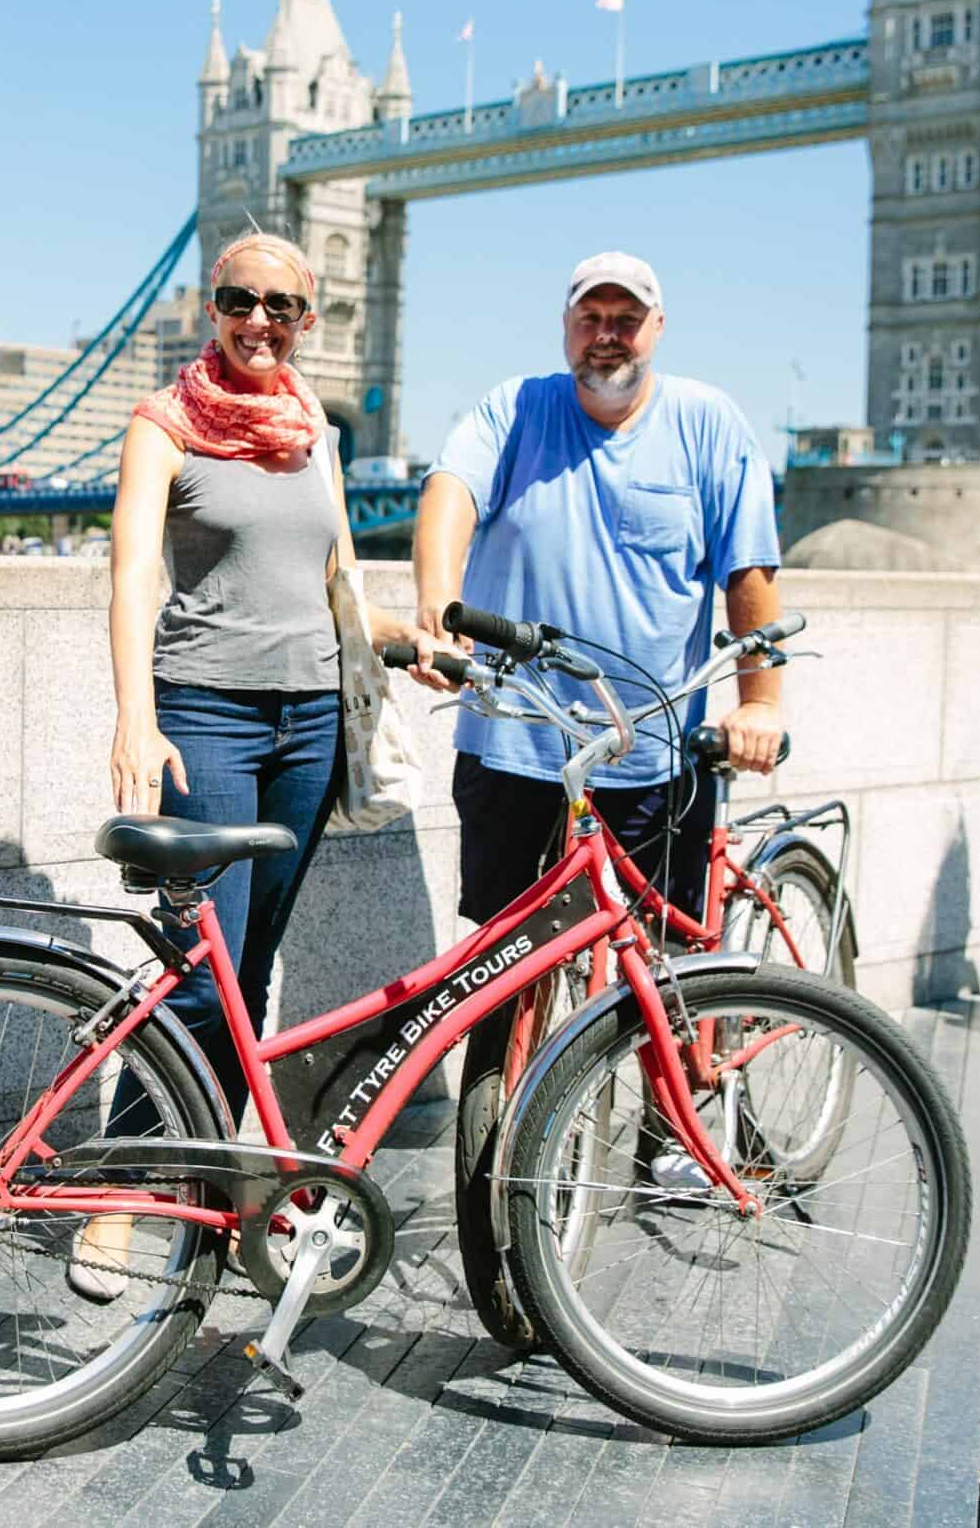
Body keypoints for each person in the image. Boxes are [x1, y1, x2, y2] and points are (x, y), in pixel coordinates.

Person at [409, 250, 783, 1340]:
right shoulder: (514, 409)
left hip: (650, 747)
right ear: (565, 327)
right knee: (503, 956)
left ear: (657, 327)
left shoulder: (709, 426)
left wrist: (760, 700)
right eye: (590, 316)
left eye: (626, 316)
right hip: (515, 738)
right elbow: (449, 495)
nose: (606, 333)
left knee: (666, 951)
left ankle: (674, 1123)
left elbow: (749, 576)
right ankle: (516, 1137)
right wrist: (437, 611)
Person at [75, 230, 415, 1301]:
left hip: (311, 721)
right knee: (195, 975)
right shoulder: (163, 424)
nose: (259, 320)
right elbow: (132, 573)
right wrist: (137, 717)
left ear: (307, 318)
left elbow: (338, 577)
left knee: (247, 973)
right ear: (210, 307)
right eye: (239, 299)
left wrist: (418, 642)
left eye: (282, 305)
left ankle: (207, 1187)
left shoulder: (314, 427)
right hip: (207, 716)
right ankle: (126, 1203)